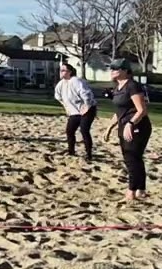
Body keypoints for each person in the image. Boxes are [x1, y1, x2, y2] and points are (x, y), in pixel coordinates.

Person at [103, 58, 151, 201]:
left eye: (116, 69)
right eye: (111, 68)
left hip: (138, 126)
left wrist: (131, 123)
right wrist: (109, 128)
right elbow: (119, 112)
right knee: (134, 159)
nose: (112, 71)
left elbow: (141, 110)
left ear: (125, 71)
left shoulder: (132, 86)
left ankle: (131, 192)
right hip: (124, 125)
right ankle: (140, 190)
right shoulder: (118, 87)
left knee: (132, 159)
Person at [53, 63, 97, 160]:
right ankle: (71, 151)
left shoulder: (76, 81)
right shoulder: (61, 84)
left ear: (70, 72)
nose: (61, 72)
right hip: (74, 112)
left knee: (84, 130)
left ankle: (89, 154)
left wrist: (87, 106)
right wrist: (66, 107)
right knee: (69, 130)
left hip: (88, 110)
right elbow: (58, 97)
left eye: (63, 70)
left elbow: (87, 94)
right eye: (60, 70)